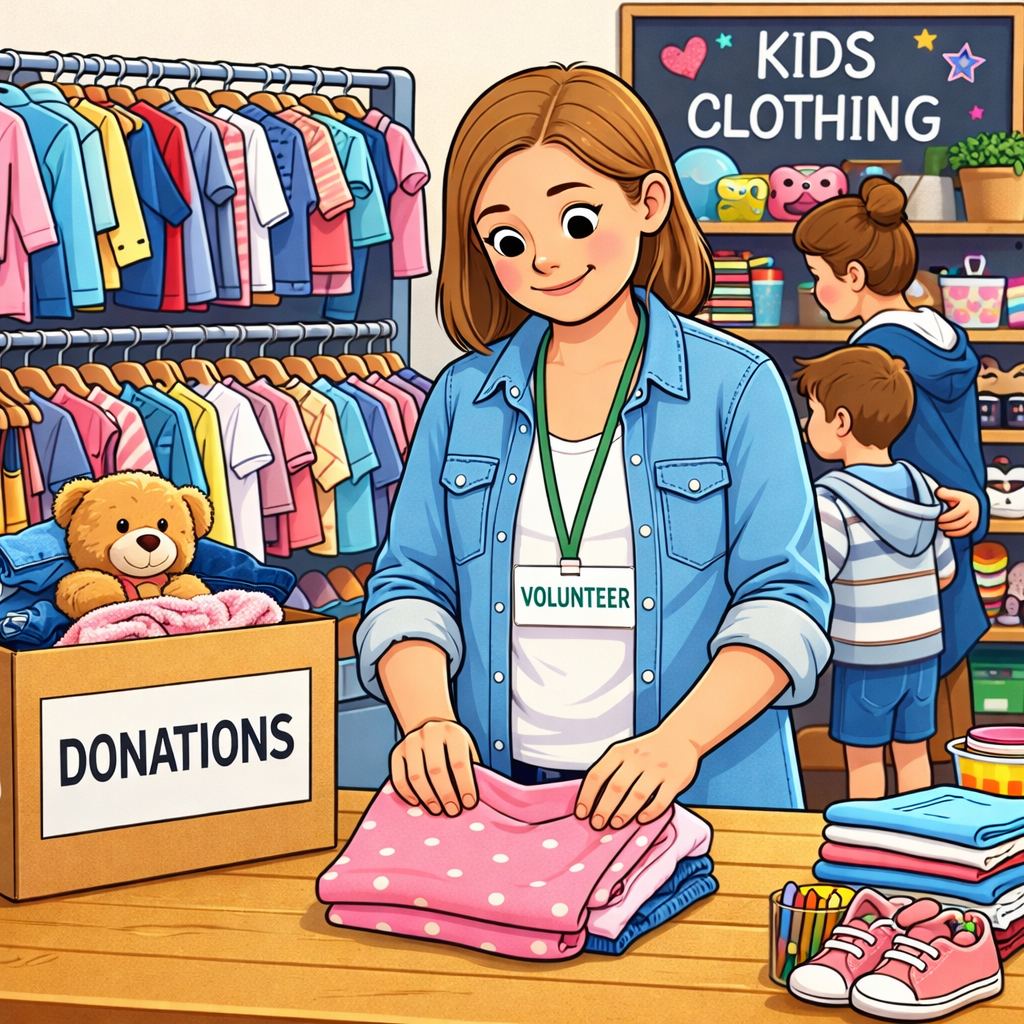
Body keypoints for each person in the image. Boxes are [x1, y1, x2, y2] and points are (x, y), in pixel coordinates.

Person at [355, 64, 833, 827]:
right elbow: (411, 585)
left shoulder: (736, 387)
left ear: (649, 203)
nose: (545, 259)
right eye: (508, 239)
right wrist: (428, 721)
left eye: (576, 220)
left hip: (701, 800)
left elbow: (786, 603)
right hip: (499, 800)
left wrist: (677, 744)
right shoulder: (461, 397)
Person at [793, 178, 986, 757]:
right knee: (924, 727)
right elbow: (959, 453)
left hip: (880, 585)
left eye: (818, 276)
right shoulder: (948, 342)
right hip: (938, 561)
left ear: (853, 276)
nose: (816, 291)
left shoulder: (873, 362)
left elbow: (877, 456)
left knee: (867, 729)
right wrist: (973, 505)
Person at [795, 346, 955, 798]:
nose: (807, 424)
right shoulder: (922, 488)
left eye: (814, 412)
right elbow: (944, 571)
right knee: (914, 753)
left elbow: (817, 576)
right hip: (923, 651)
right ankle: (918, 829)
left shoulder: (831, 499)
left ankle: (868, 834)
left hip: (866, 655)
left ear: (841, 423)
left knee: (864, 757)